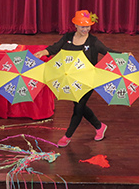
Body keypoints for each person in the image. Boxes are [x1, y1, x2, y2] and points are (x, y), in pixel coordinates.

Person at [34, 10, 118, 148]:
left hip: (88, 79)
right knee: (80, 106)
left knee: (78, 108)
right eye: (82, 26)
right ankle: (99, 126)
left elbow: (107, 52)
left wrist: (124, 55)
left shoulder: (93, 41)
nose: (86, 29)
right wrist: (43, 52)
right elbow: (56, 47)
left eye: (88, 26)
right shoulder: (68, 37)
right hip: (71, 78)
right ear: (76, 26)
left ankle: (67, 136)